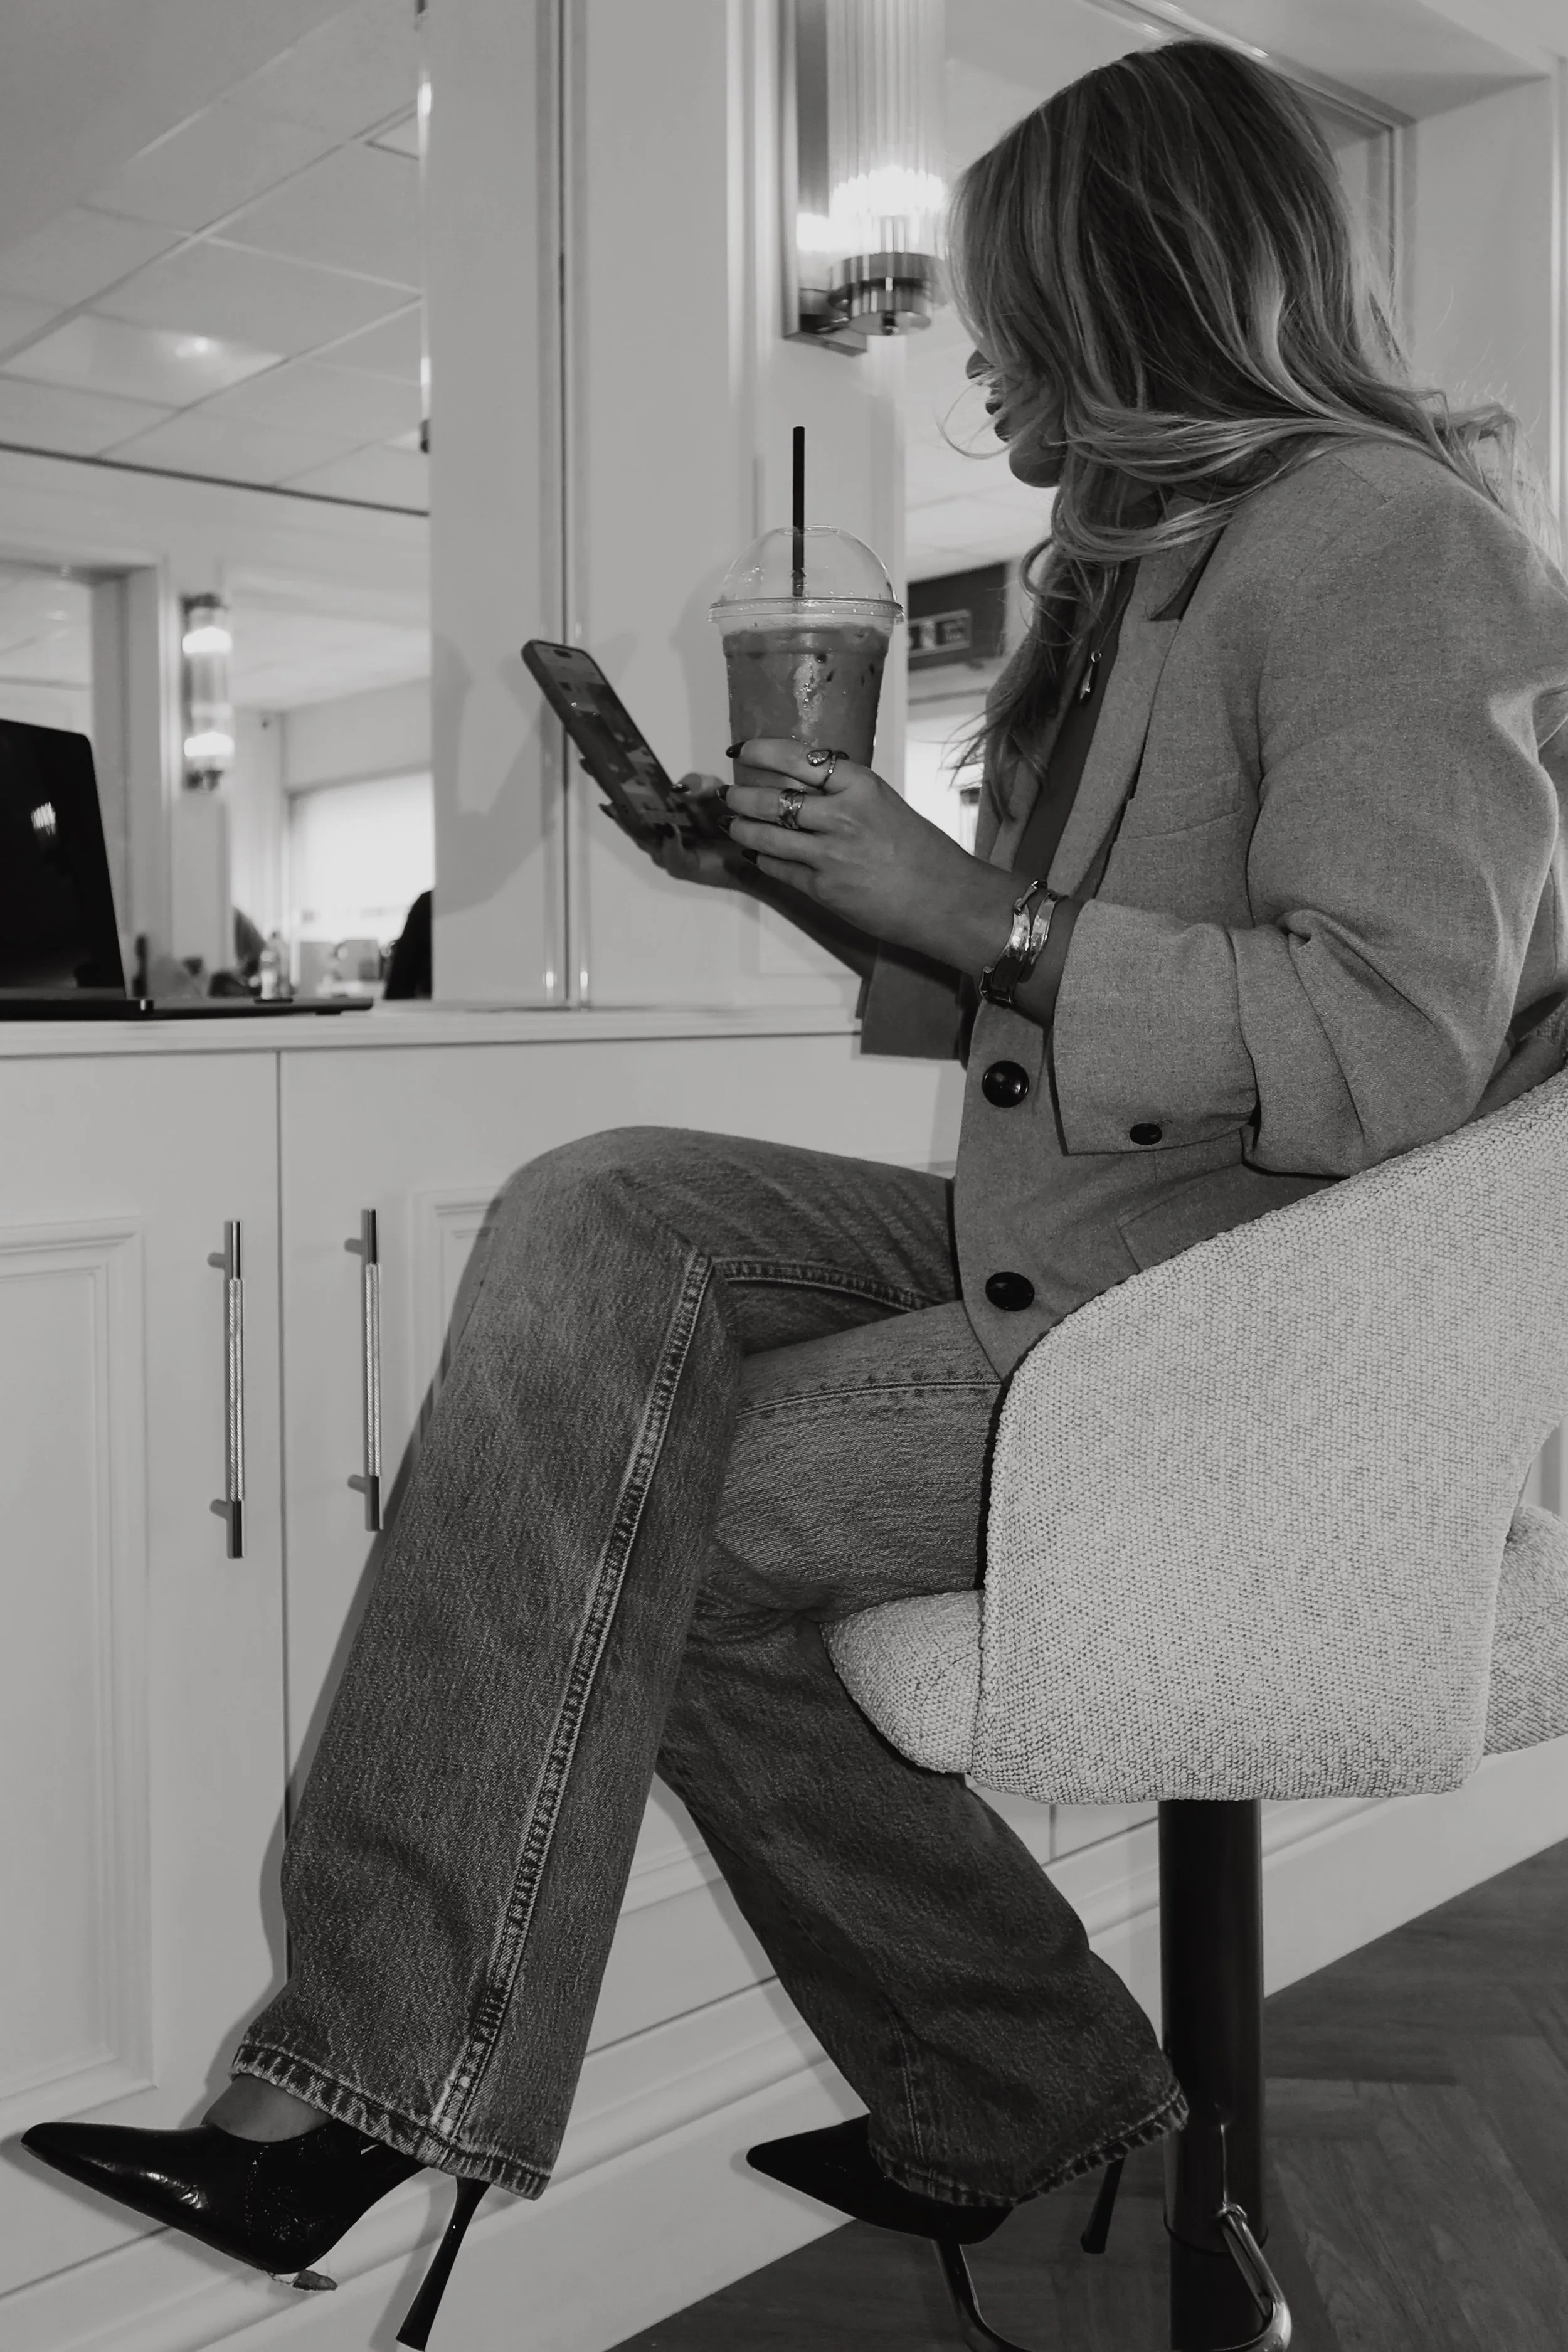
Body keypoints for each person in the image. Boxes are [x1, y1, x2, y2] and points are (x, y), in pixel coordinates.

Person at [23, 36, 1568, 2348]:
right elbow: (1041, 1015)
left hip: (1253, 1310)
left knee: (656, 1514)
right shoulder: (1159, 573)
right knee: (607, 1199)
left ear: (1127, 283)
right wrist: (821, 881)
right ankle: (978, 2079)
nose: (981, 357)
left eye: (1006, 301)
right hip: (1122, 1233)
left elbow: (1377, 1052)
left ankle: (428, 2087)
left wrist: (988, 918)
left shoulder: (1385, 539)